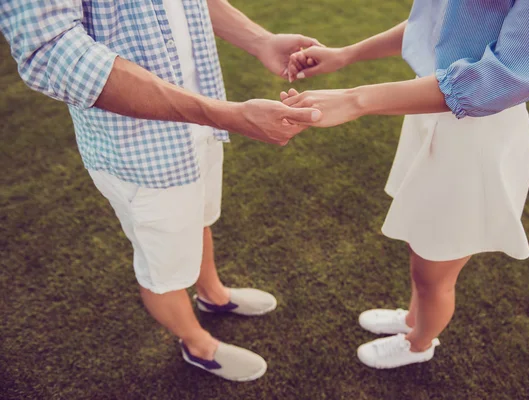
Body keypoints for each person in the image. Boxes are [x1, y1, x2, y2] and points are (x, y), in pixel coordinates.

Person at [1, 0, 323, 381]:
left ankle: (213, 295)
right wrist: (225, 114)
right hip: (142, 147)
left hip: (201, 122)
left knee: (198, 219)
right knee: (164, 267)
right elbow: (54, 51)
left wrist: (260, 40)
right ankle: (197, 344)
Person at [283, 0, 529, 369]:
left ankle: (419, 343)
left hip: (475, 131)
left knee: (434, 269)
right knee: (422, 243)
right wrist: (345, 55)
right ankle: (414, 320)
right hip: (431, 109)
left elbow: (504, 76)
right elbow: (438, 24)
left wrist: (355, 100)